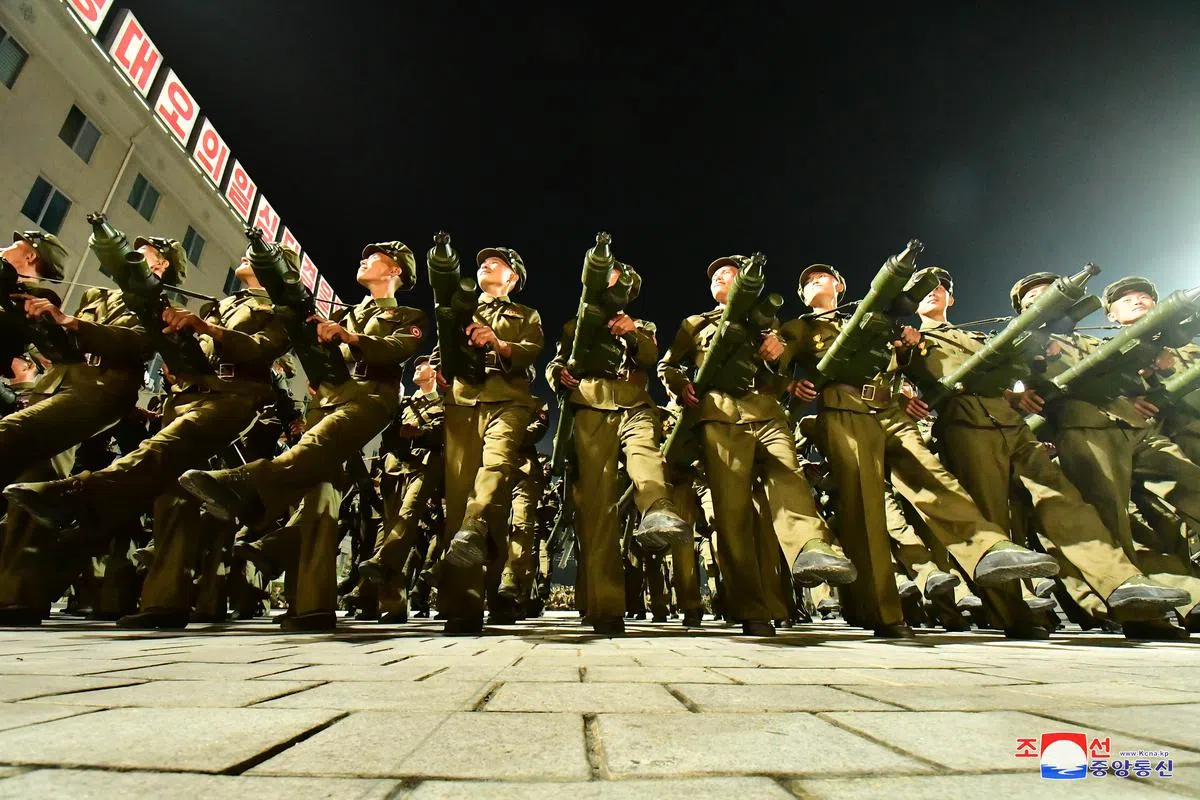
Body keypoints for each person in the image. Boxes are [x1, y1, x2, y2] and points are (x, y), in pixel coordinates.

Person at [903, 266, 1188, 635]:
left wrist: (1023, 382)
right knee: (994, 523)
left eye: (941, 286)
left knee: (1064, 499)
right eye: (923, 289)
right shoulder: (906, 338)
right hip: (965, 425)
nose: (933, 292)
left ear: (951, 297)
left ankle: (1125, 592)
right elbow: (897, 382)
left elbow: (1006, 373)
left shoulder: (976, 336)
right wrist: (904, 360)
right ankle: (1012, 615)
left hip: (1012, 422)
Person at [784, 263, 1059, 639]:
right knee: (865, 508)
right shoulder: (801, 328)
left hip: (891, 408)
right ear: (801, 296)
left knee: (933, 476)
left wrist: (909, 357)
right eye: (808, 282)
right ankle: (884, 612)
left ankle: (989, 548)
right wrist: (788, 386)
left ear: (841, 285)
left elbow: (910, 369)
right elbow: (773, 364)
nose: (816, 283)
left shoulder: (873, 320)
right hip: (843, 407)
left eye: (823, 277)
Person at [179, 241, 427, 631]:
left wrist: (351, 339)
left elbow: (396, 349)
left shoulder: (408, 315)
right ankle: (311, 604)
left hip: (369, 396)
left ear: (396, 270)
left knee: (315, 448)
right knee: (320, 491)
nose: (363, 259)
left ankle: (245, 485)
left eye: (375, 256)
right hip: (326, 398)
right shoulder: (345, 312)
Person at [658, 255, 856, 637]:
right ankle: (752, 608)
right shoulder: (694, 324)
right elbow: (668, 364)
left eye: (728, 272)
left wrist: (779, 364)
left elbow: (776, 372)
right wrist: (680, 387)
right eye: (715, 274)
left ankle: (811, 548)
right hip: (719, 415)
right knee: (732, 515)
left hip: (765, 412)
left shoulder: (766, 320)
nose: (720, 276)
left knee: (790, 480)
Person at [547, 259, 689, 634]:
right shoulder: (574, 325)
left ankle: (657, 508)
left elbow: (650, 357)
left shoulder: (642, 326)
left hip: (634, 400)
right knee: (597, 509)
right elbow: (556, 363)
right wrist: (556, 375)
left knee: (646, 455)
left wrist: (631, 334)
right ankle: (604, 606)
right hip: (590, 404)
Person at [434, 245, 544, 634]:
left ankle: (498, 589)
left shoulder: (526, 315)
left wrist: (497, 342)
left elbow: (531, 350)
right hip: (462, 401)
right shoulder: (462, 307)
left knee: (494, 472)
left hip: (508, 400)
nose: (485, 264)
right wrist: (439, 373)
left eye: (496, 263)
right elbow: (440, 352)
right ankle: (464, 607)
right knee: (460, 491)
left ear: (513, 278)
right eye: (482, 261)